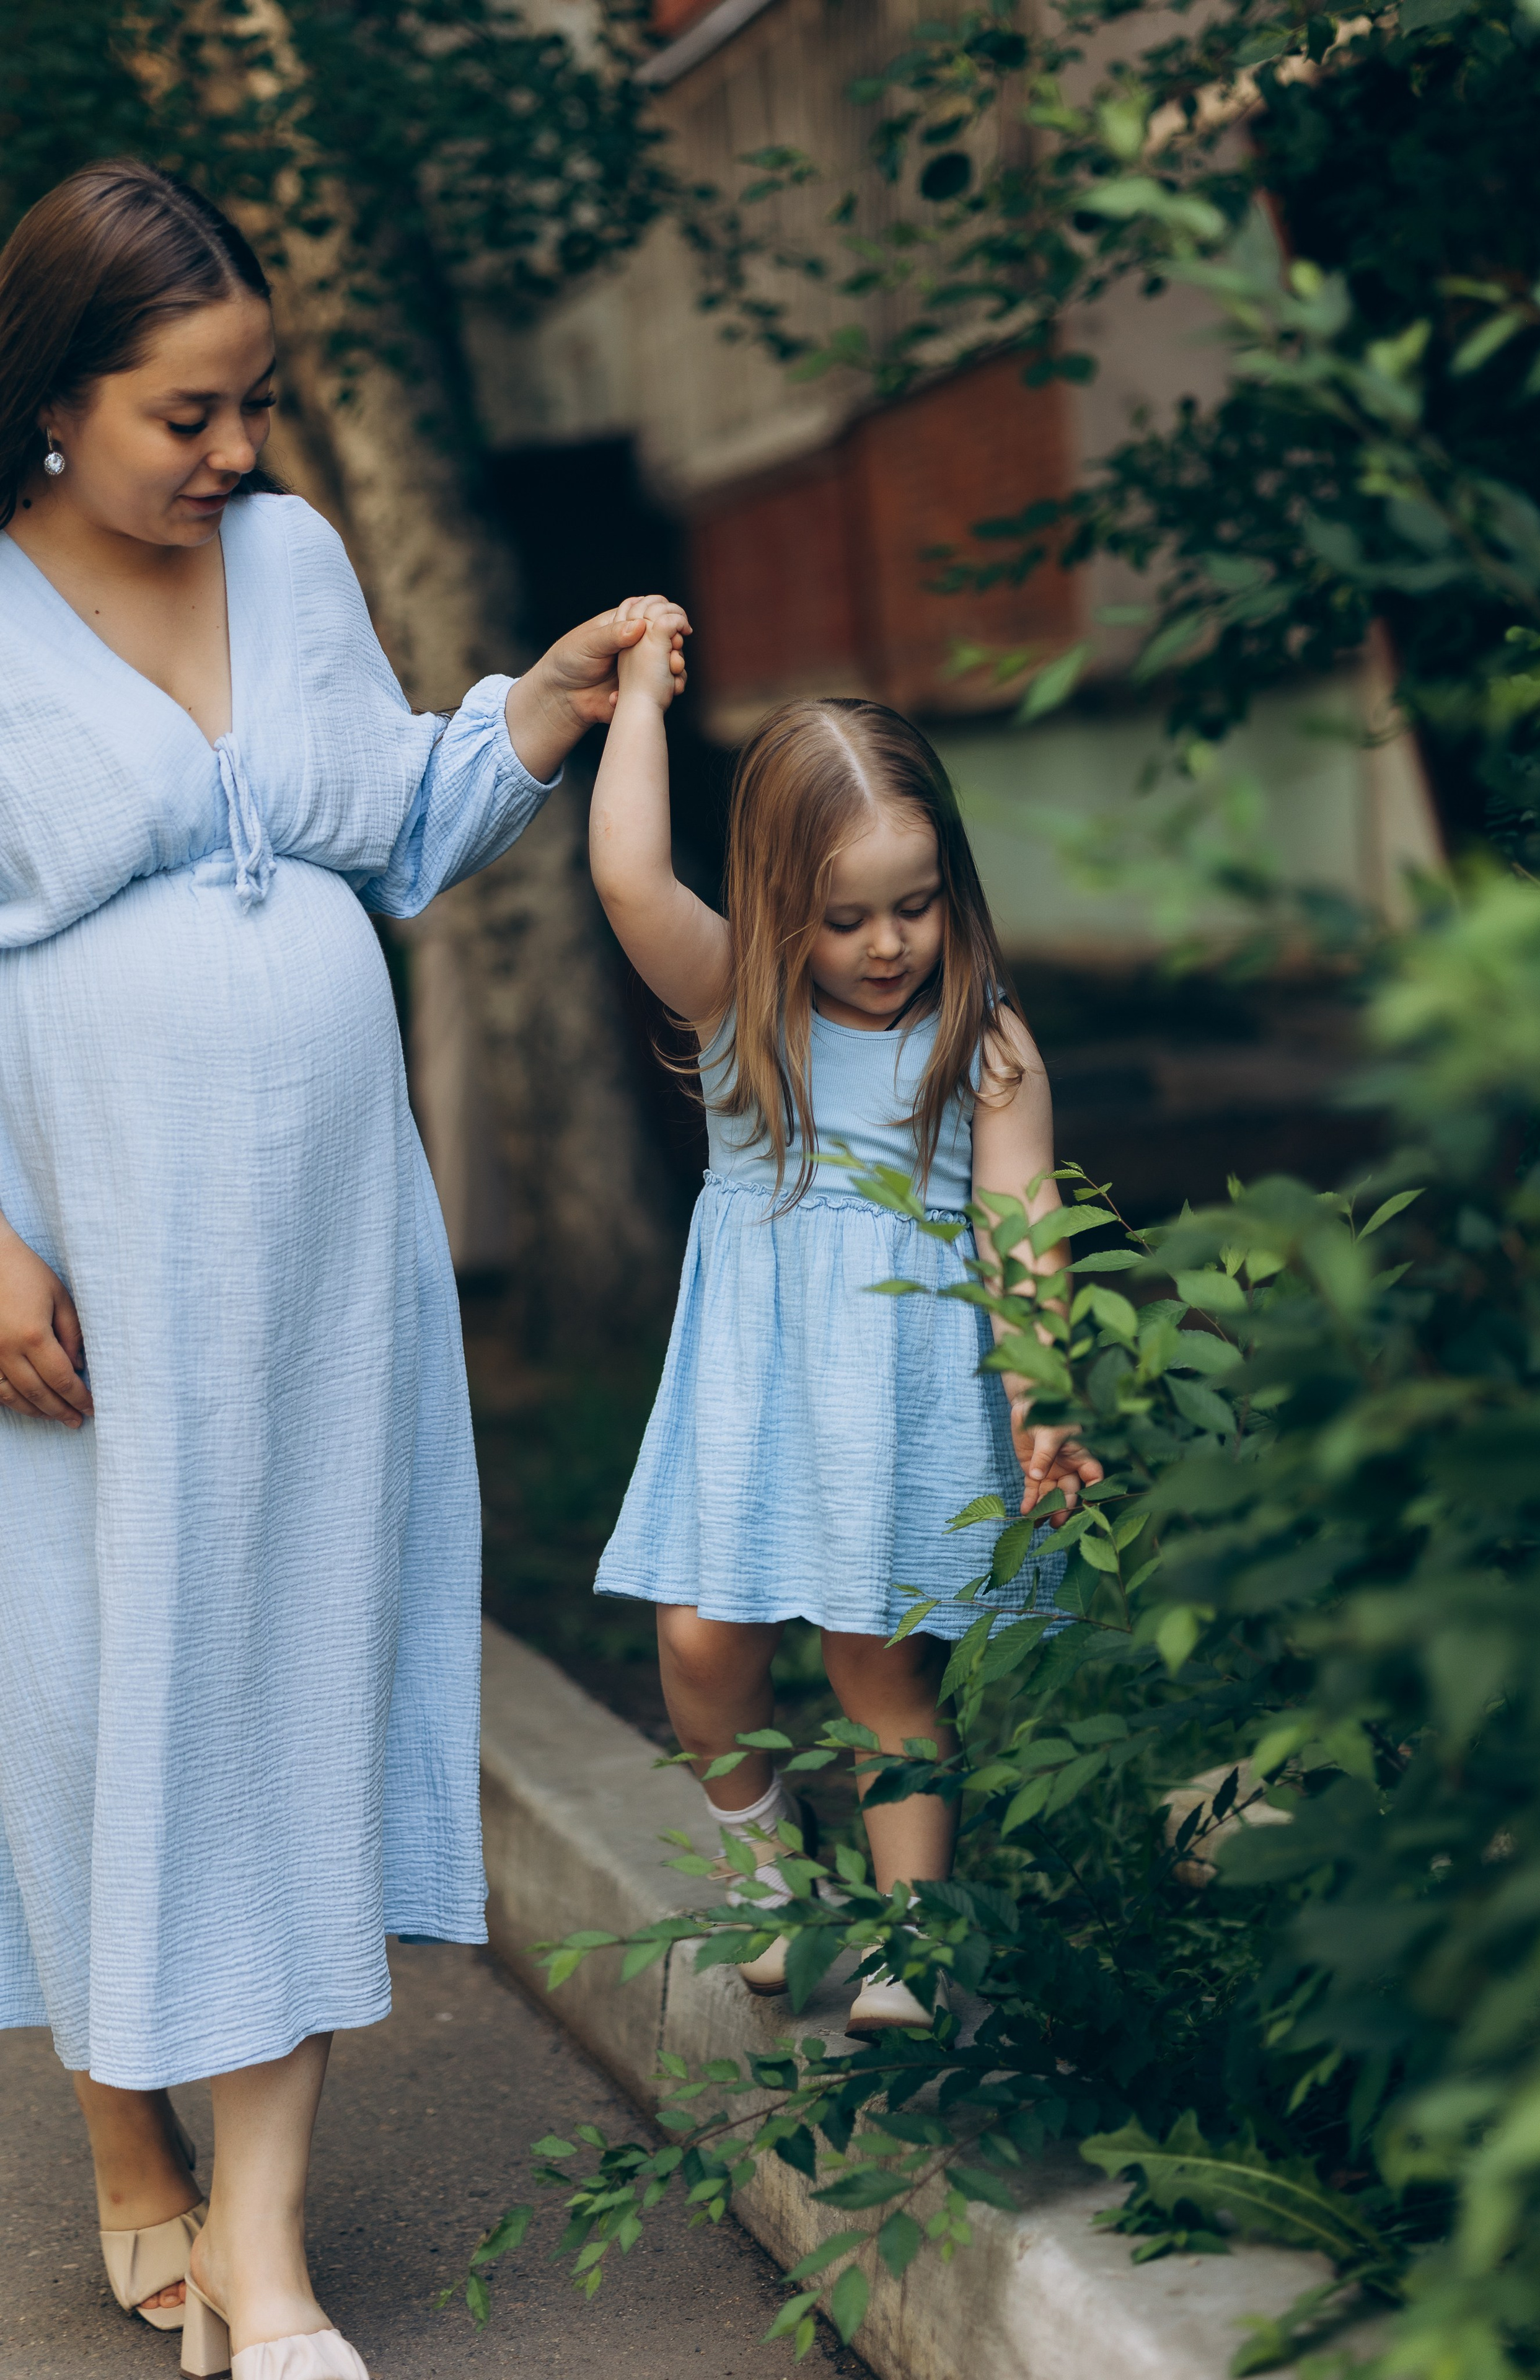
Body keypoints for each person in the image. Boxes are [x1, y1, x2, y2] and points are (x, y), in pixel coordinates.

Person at [0, 162, 687, 2379]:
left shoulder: (286, 558)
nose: (236, 457)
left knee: (280, 1684)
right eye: (187, 414)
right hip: (77, 1258)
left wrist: (548, 703)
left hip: (315, 1251)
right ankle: (128, 2150)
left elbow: (391, 812)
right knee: (95, 1703)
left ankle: (266, 2263)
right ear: (50, 403)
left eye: (259, 406)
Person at [587, 599, 1102, 2037]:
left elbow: (1022, 1225)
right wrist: (638, 699)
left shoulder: (981, 1042)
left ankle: (909, 1941)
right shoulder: (745, 1018)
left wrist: (1041, 1391)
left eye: (916, 903)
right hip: (753, 1399)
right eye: (845, 916)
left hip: (906, 1401)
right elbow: (629, 876)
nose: (887, 946)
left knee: (880, 1666)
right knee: (699, 1648)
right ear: (772, 905)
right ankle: (776, 1884)